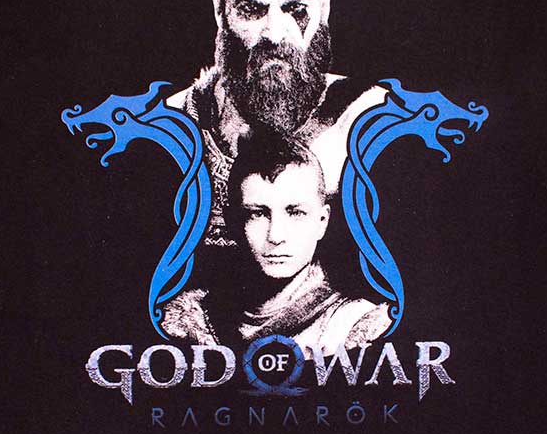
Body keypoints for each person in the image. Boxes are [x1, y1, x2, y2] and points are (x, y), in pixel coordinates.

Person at [166, 0, 387, 247]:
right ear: (219, 10)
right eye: (251, 10)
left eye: (296, 10)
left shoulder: (370, 124)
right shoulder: (171, 126)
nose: (274, 33)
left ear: (324, 8)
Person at [163, 129, 391, 356]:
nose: (276, 235)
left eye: (296, 213)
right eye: (257, 214)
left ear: (322, 222)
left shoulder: (354, 326)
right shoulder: (193, 322)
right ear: (232, 223)